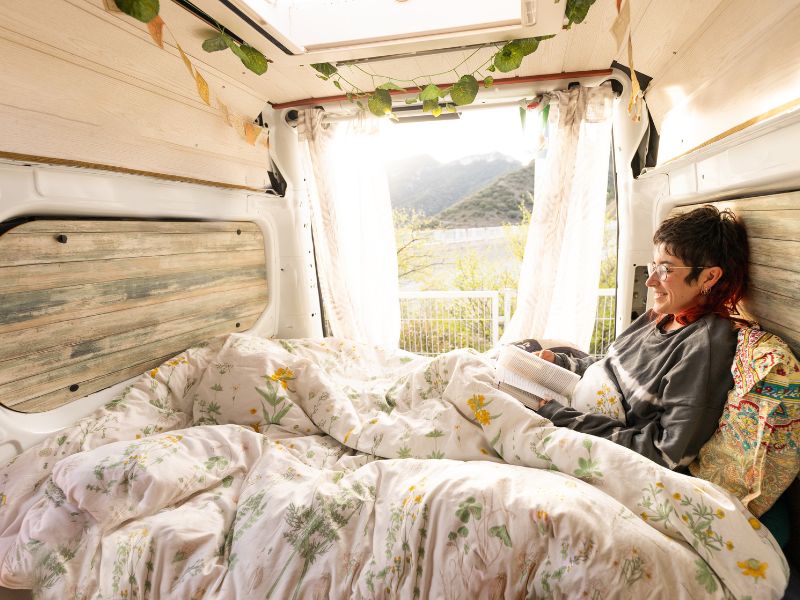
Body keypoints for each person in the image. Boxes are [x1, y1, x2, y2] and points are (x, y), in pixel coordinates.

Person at [531, 206, 749, 470]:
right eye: (653, 266)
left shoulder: (703, 347)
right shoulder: (661, 316)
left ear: (709, 276)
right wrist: (562, 363)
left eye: (666, 270)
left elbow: (665, 454)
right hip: (567, 408)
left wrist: (563, 418)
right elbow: (617, 364)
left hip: (579, 433)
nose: (650, 281)